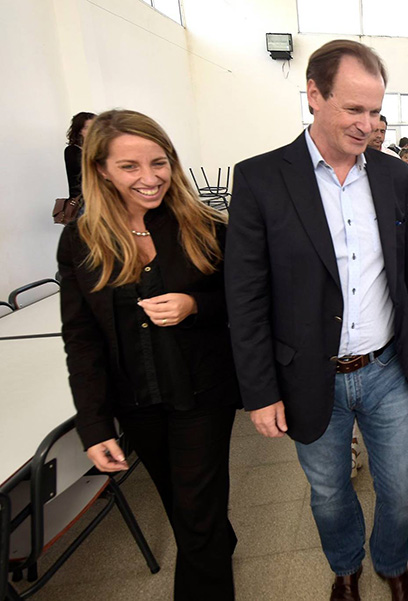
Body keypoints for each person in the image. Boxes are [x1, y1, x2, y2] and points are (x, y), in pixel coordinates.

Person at [225, 40, 408, 601]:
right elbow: (245, 297)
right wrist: (261, 391)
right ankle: (345, 567)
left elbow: (400, 257)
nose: (367, 125)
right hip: (311, 374)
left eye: (376, 111)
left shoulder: (392, 176)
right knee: (330, 492)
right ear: (314, 95)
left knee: (402, 488)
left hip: (385, 366)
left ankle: (392, 563)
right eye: (353, 109)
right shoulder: (263, 179)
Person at [57, 109, 240, 599]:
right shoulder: (80, 238)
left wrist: (194, 304)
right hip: (136, 400)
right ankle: (219, 540)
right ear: (100, 169)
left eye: (158, 163)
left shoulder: (205, 226)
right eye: (129, 167)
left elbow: (241, 306)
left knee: (196, 519)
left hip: (203, 394)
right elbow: (81, 338)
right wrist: (93, 425)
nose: (149, 178)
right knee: (183, 509)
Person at [64, 111, 96, 199]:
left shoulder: (101, 148)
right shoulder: (72, 151)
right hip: (84, 201)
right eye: (87, 128)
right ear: (79, 131)